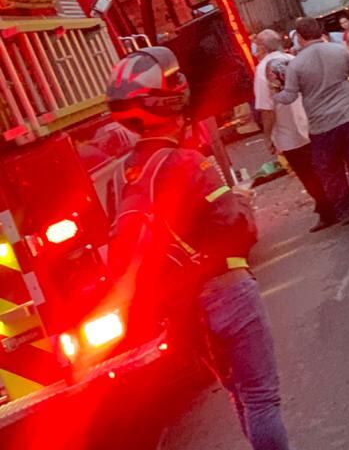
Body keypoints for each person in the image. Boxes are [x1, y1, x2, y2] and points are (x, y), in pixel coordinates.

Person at [105, 47, 290, 450]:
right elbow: (239, 231)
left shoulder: (121, 176)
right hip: (227, 291)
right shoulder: (190, 163)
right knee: (261, 396)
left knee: (238, 393)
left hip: (183, 306)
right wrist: (242, 201)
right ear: (174, 100)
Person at [275, 17, 349, 224]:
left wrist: (273, 95)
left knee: (331, 171)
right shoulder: (339, 51)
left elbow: (288, 96)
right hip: (348, 118)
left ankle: (345, 212)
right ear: (320, 31)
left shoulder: (296, 65)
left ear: (299, 37)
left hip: (321, 128)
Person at [252, 29, 335, 233]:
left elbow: (267, 110)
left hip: (289, 133)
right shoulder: (293, 59)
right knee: (324, 167)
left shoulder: (263, 71)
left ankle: (327, 211)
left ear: (262, 48)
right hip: (313, 122)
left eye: (255, 44)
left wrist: (267, 137)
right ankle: (337, 201)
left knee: (307, 173)